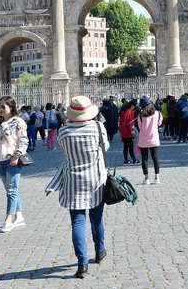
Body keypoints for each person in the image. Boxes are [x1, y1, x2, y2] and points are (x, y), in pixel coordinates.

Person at [57, 96, 109, 278]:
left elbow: (64, 151)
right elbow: (106, 148)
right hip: (96, 180)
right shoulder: (98, 127)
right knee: (97, 218)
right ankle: (100, 250)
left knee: (77, 222)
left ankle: (82, 263)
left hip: (73, 182)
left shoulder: (63, 132)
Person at [0, 96, 28, 232]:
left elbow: (23, 140)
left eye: (3, 107)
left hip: (12, 159)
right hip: (0, 159)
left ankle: (8, 220)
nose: (0, 109)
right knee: (10, 190)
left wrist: (17, 155)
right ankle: (19, 216)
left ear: (11, 108)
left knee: (11, 191)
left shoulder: (18, 122)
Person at [136, 97, 162, 184]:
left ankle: (146, 178)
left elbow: (139, 127)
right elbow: (159, 123)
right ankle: (157, 177)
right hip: (154, 138)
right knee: (155, 158)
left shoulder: (140, 115)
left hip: (144, 139)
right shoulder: (157, 113)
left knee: (144, 158)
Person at [118, 100, 137, 165]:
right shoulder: (130, 112)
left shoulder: (123, 111)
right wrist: (131, 131)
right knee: (130, 147)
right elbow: (130, 123)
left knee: (125, 147)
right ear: (132, 106)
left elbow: (120, 122)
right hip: (128, 132)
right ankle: (134, 160)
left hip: (123, 132)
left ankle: (126, 160)